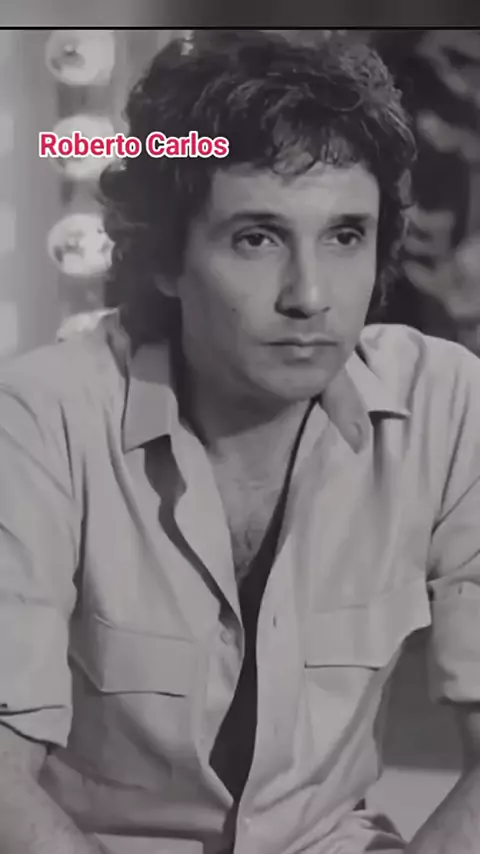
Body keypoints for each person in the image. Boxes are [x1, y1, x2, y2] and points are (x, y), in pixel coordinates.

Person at [0, 29, 479, 854]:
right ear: (166, 260)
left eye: (345, 236)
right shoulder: (44, 417)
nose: (311, 295)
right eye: (258, 238)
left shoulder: (447, 401)